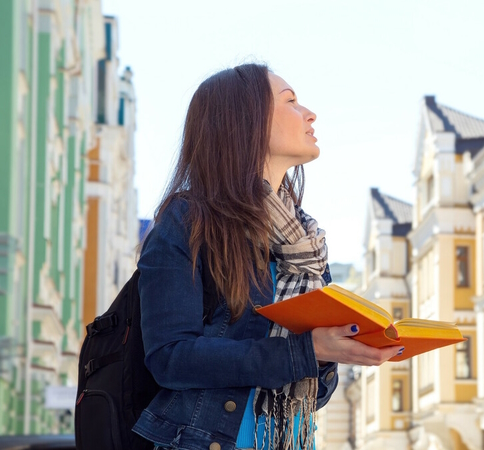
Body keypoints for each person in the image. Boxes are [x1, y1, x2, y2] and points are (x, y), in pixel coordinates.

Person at [132, 63, 403, 450]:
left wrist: (332, 353)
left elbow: (316, 397)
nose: (310, 113)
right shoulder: (188, 219)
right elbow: (170, 357)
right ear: (246, 121)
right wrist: (306, 351)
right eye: (290, 101)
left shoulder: (305, 245)